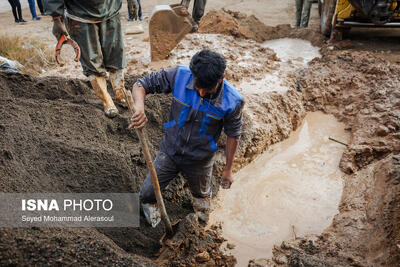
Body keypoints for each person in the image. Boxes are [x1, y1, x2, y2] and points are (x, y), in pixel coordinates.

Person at [129, 49, 244, 227]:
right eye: (198, 87)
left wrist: (228, 169)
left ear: (221, 79)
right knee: (146, 195)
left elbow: (233, 134)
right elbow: (140, 84)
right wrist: (139, 108)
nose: (201, 93)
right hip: (170, 151)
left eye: (208, 89)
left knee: (202, 199)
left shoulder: (232, 101)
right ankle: (154, 225)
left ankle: (200, 226)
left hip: (200, 159)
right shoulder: (180, 75)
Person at [45, 0, 127, 118]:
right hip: (80, 15)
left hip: (110, 10)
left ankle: (121, 94)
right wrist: (56, 18)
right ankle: (106, 100)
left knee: (116, 53)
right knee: (91, 60)